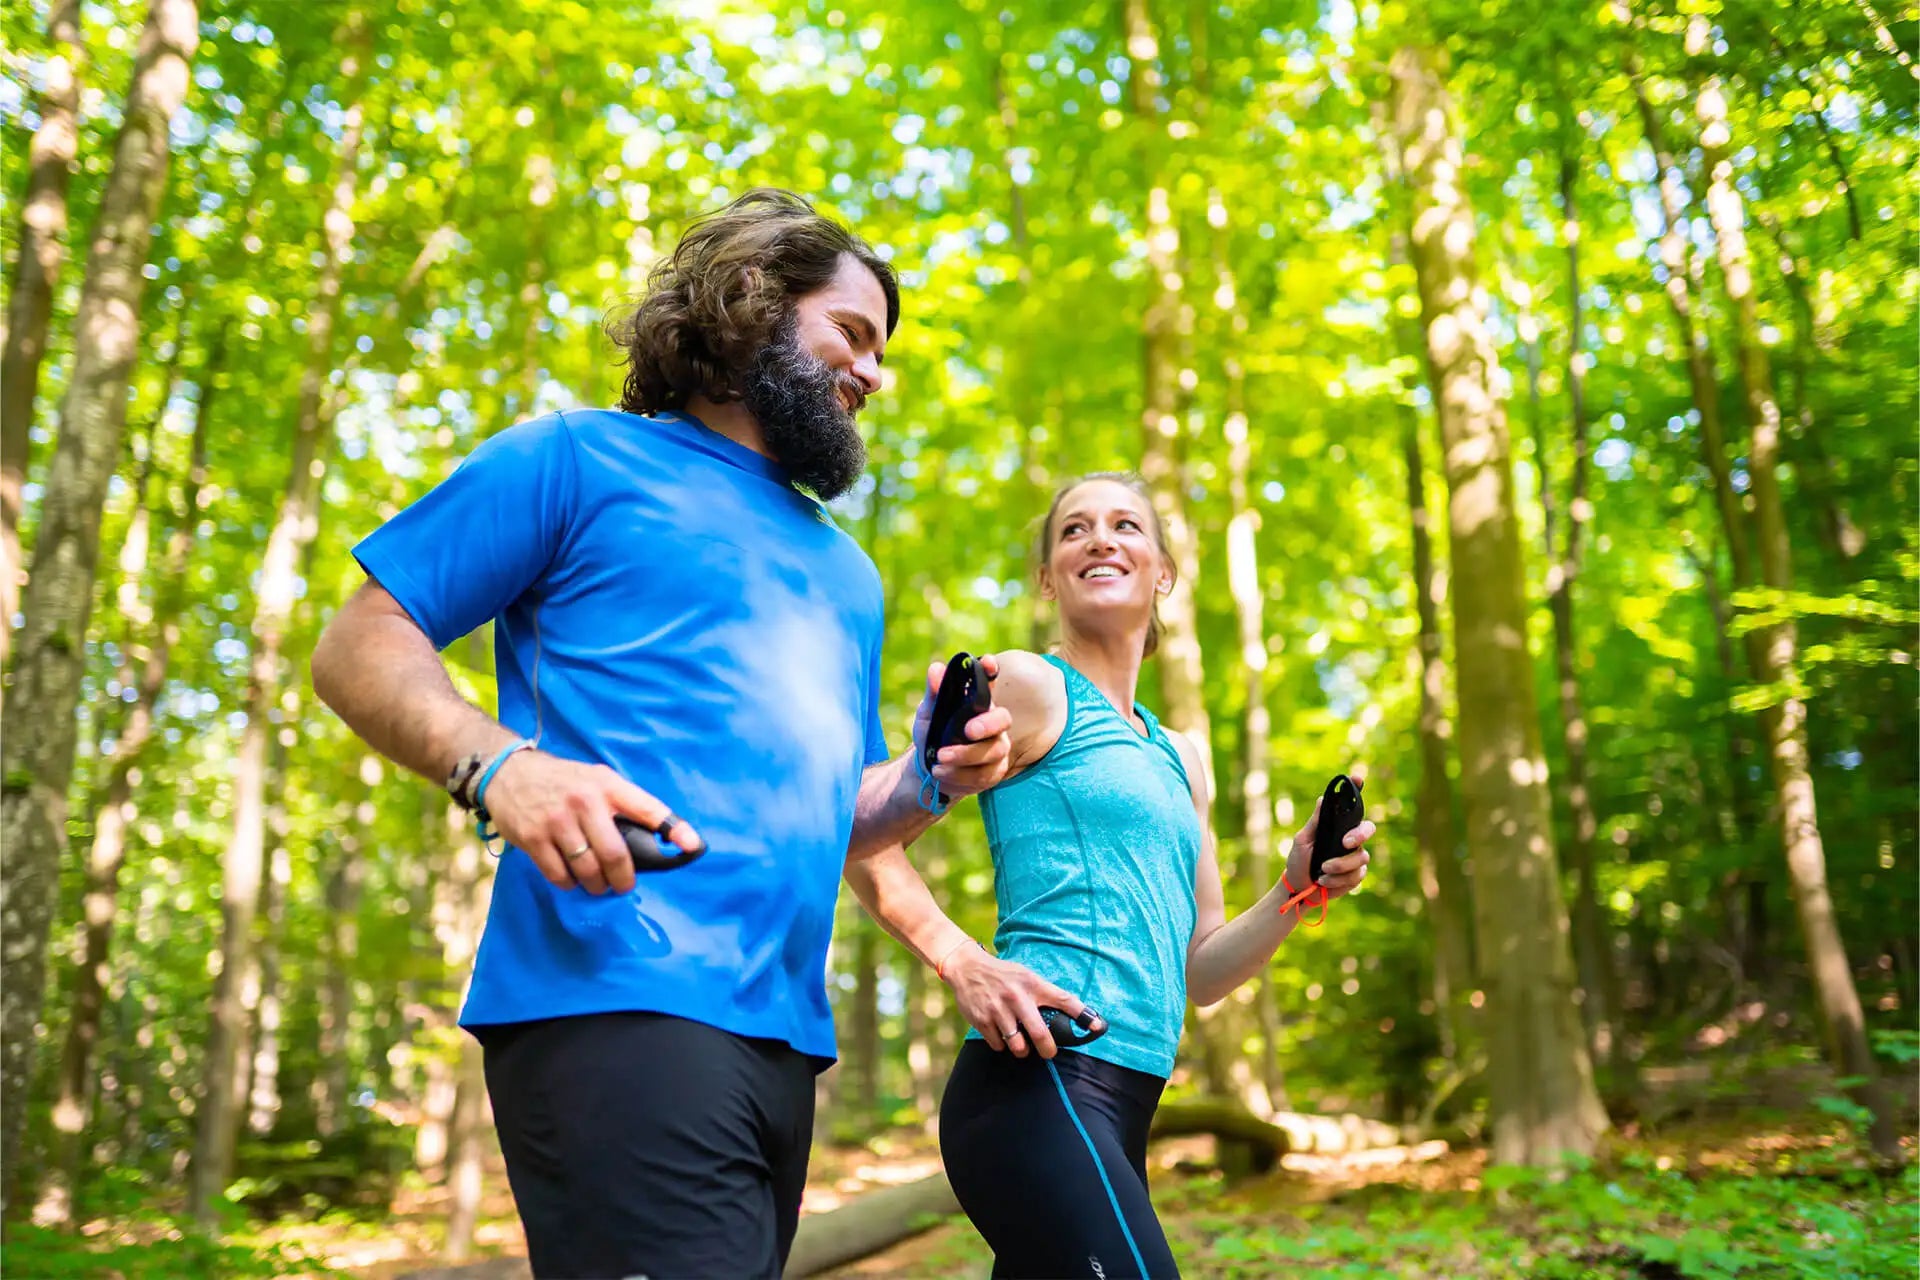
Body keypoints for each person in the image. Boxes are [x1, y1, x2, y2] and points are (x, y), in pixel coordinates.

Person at [310, 189, 1073, 1280]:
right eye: (851, 334)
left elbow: (840, 820)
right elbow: (359, 641)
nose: (873, 375)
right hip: (612, 989)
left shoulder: (847, 573)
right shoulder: (574, 459)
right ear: (751, 301)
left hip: (783, 1039)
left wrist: (925, 779)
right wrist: (500, 767)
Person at [842, 471, 1377, 1279]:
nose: (1100, 538)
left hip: (1129, 1103)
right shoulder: (1029, 685)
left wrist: (1296, 890)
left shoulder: (1181, 756)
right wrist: (964, 962)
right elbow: (865, 839)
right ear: (1048, 577)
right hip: (1036, 1080)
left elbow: (1200, 971)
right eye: (1074, 530)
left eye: (1127, 525)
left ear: (1162, 570)